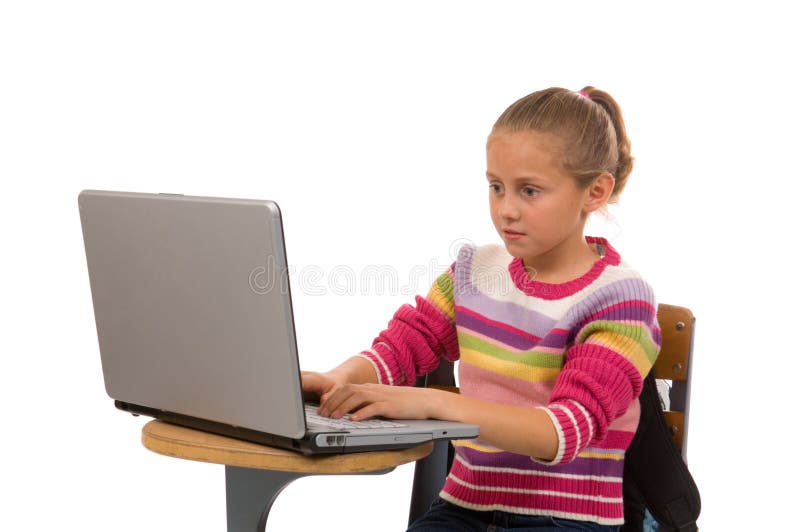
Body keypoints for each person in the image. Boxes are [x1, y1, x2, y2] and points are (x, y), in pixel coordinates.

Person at [302, 87, 661, 531]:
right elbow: (403, 347)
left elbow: (562, 431)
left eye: (529, 191)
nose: (506, 210)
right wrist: (339, 378)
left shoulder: (622, 300)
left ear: (595, 191)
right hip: (464, 509)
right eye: (496, 187)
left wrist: (434, 403)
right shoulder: (474, 272)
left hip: (566, 520)